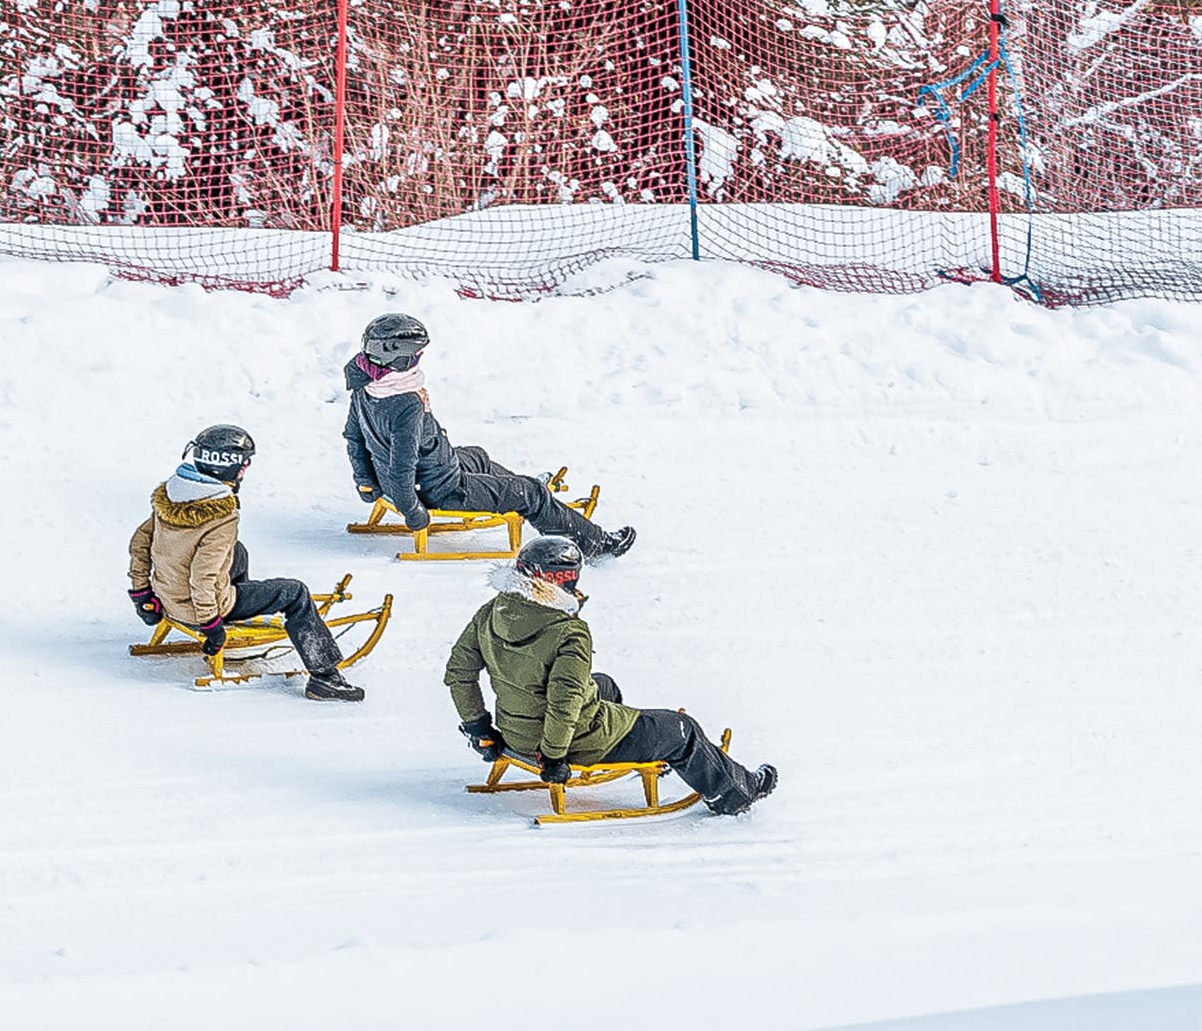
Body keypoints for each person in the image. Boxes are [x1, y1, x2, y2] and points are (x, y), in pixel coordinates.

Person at [445, 537, 775, 815]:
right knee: (681, 730)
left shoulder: (492, 610)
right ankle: (735, 794)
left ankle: (635, 754)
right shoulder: (569, 632)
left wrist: (479, 728)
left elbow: (459, 671)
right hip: (560, 742)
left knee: (604, 684)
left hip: (517, 732)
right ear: (564, 580)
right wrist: (554, 756)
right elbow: (564, 703)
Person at [342, 312, 634, 558]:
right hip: (442, 489)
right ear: (401, 359)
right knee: (531, 494)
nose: (420, 358)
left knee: (478, 455)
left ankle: (512, 487)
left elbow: (354, 438)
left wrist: (366, 482)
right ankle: (595, 543)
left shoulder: (366, 386)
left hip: (433, 470)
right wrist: (412, 511)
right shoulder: (407, 404)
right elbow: (401, 467)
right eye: (417, 355)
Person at [127, 424, 366, 702]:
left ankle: (242, 607)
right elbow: (202, 577)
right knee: (296, 593)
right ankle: (326, 678)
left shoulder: (173, 493)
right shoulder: (221, 515)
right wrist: (211, 625)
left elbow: (140, 543)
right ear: (225, 466)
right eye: (244, 463)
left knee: (237, 551)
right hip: (198, 608)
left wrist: (143, 597)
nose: (246, 469)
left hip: (169, 597)